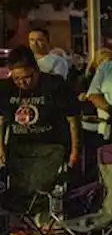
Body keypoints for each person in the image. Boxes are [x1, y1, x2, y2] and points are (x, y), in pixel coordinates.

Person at [0, 46, 80, 214]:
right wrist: (0, 149)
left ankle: (43, 220)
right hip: (19, 148)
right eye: (17, 79)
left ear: (36, 70)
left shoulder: (55, 85)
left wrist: (74, 151)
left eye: (27, 77)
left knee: (41, 188)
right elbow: (0, 121)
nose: (22, 83)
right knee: (17, 190)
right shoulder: (6, 89)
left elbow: (73, 119)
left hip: (51, 146)